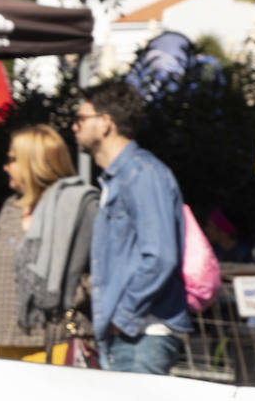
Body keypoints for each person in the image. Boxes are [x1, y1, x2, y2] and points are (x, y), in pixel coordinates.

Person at [73, 80, 190, 375]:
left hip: (141, 335)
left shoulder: (142, 174)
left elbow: (160, 257)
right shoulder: (117, 178)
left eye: (81, 119)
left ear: (105, 123)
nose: (74, 127)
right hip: (128, 334)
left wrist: (121, 317)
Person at [0, 124, 89, 362]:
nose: (6, 166)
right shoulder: (10, 208)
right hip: (1, 343)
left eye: (13, 159)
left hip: (54, 342)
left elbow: (92, 275)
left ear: (34, 162)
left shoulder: (71, 207)